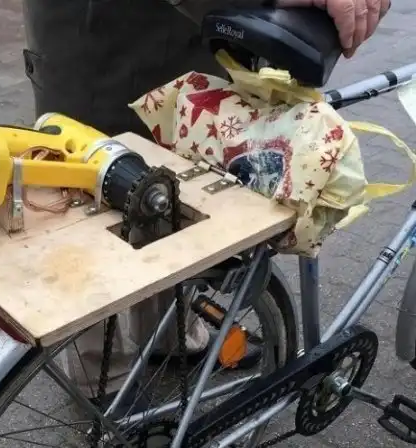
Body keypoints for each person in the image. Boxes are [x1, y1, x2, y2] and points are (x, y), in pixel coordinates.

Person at [22, 0, 390, 400]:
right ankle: (100, 378)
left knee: (170, 188)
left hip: (175, 41)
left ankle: (169, 334)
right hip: (96, 44)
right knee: (87, 204)